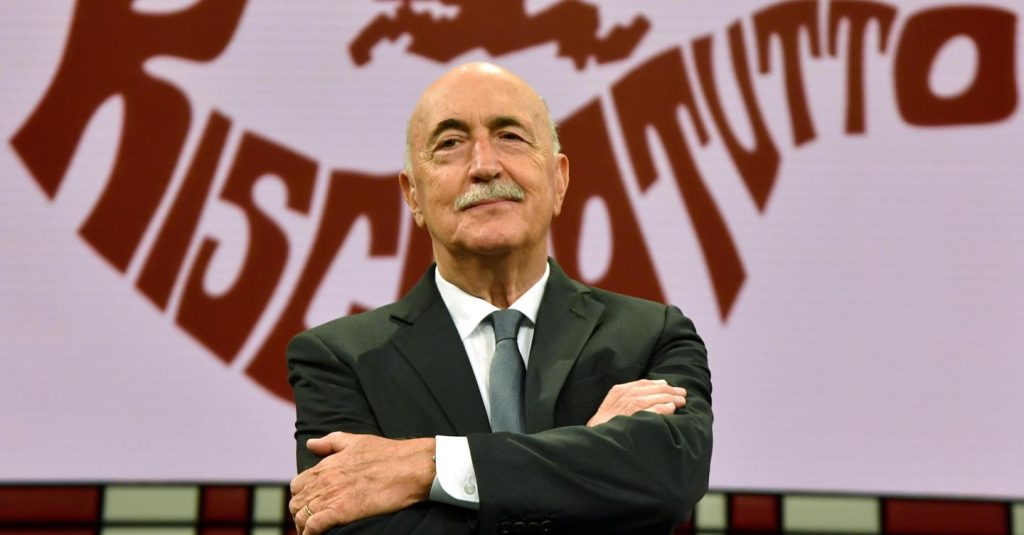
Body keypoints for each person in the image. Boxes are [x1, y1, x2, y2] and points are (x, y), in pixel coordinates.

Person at [286, 62, 712, 535]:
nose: (485, 166)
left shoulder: (651, 336)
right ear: (413, 196)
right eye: (450, 143)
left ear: (559, 180)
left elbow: (671, 480)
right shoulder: (340, 360)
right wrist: (591, 456)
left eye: (510, 136)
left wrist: (429, 465)